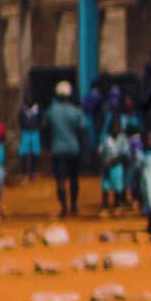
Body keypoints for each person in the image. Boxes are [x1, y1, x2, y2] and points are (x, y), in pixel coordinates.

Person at [44, 80, 90, 219]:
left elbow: (45, 130)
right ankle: (74, 206)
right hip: (73, 150)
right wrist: (85, 150)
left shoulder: (51, 111)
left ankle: (64, 208)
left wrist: (47, 146)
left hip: (57, 150)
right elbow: (83, 132)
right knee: (74, 178)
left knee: (60, 180)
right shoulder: (76, 112)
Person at [17, 98, 43, 181]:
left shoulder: (38, 109)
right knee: (23, 154)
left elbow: (40, 120)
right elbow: (19, 120)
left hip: (35, 132)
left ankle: (33, 172)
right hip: (25, 133)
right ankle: (23, 173)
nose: (29, 101)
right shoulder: (22, 110)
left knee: (35, 153)